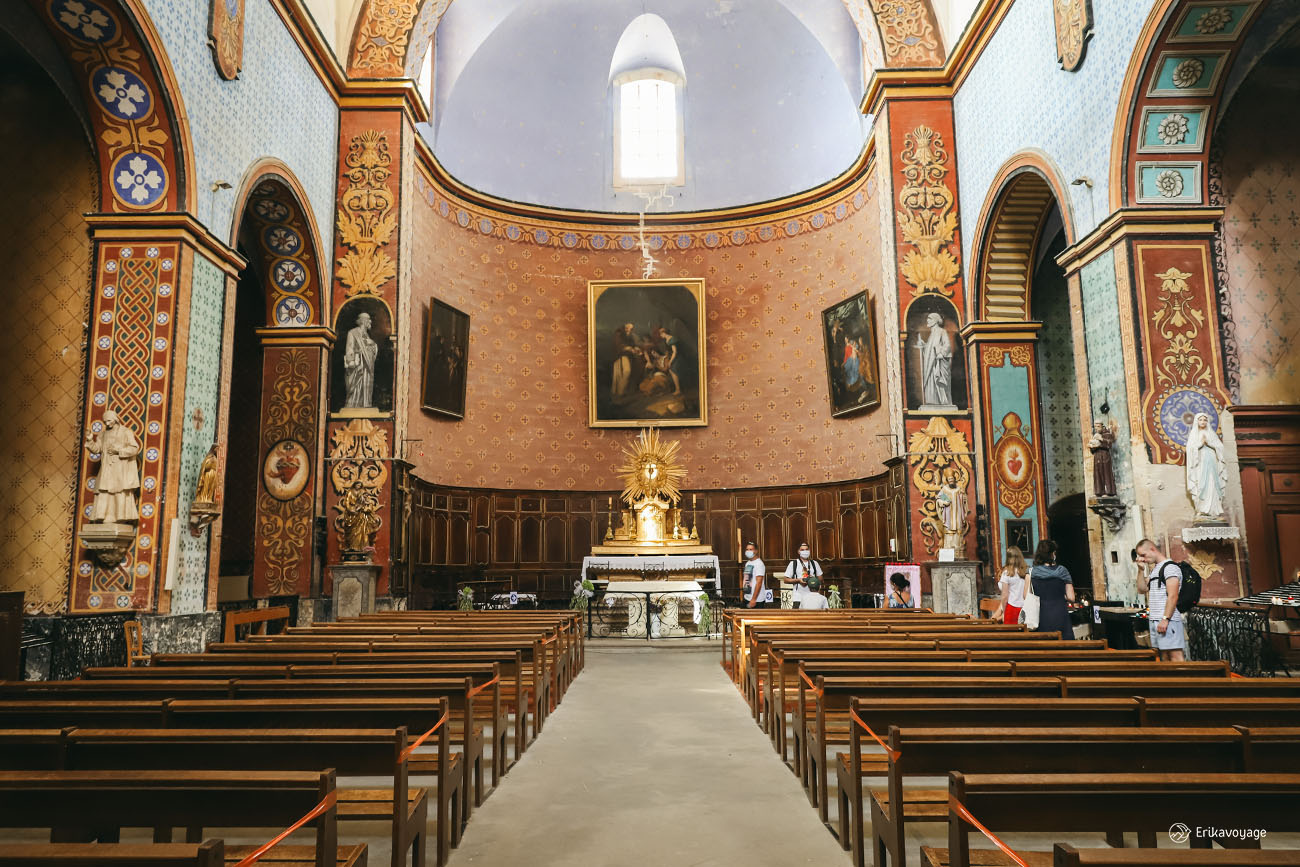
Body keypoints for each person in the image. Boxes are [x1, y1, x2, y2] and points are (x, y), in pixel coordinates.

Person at [84, 409, 141, 524]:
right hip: (106, 469)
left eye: (109, 421)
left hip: (120, 469)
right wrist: (90, 440)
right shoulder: (102, 434)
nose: (107, 424)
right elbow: (97, 449)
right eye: (105, 422)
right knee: (104, 491)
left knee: (119, 492)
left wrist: (119, 451)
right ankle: (104, 516)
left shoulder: (126, 432)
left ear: (115, 419)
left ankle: (119, 517)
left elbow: (135, 448)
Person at [1136, 538, 1187, 661]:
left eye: (1143, 555)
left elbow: (1173, 596)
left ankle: (1183, 680)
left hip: (1168, 620)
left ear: (1152, 549)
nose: (1142, 559)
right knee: (1164, 657)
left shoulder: (1170, 568)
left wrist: (1165, 619)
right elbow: (1142, 589)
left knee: (1175, 657)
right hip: (1156, 619)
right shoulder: (1156, 569)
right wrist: (1140, 570)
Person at [1029, 539, 1074, 639]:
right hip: (1060, 613)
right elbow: (1071, 598)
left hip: (1041, 615)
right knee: (1065, 648)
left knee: (1045, 648)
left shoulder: (1032, 573)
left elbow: (1026, 595)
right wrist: (1062, 595)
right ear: (1052, 554)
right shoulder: (1062, 571)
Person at [1185, 413, 1227, 520]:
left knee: (1212, 483)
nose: (1203, 422)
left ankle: (1214, 510)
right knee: (1201, 484)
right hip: (1200, 464)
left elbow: (1220, 447)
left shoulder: (1212, 434)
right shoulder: (1194, 434)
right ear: (1197, 421)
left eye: (1205, 420)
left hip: (1212, 462)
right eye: (1201, 420)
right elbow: (1190, 450)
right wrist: (1200, 444)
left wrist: (1209, 443)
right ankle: (1202, 509)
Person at [916, 311, 953, 407]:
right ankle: (933, 401)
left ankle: (943, 402)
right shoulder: (932, 334)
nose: (927, 320)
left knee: (939, 380)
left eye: (930, 318)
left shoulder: (942, 331)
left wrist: (941, 353)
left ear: (936, 321)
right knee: (930, 382)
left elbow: (947, 345)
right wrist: (923, 346)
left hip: (938, 362)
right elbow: (930, 349)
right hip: (930, 363)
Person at [343, 311, 378, 408]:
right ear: (362, 321)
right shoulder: (353, 332)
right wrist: (352, 363)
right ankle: (353, 405)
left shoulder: (367, 335)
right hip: (358, 366)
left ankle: (365, 404)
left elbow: (373, 348)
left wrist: (373, 344)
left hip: (368, 365)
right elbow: (349, 349)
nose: (370, 322)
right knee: (356, 386)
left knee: (366, 385)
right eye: (368, 319)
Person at [993, 546, 1028, 625]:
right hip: (1025, 608)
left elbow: (1005, 596)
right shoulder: (1026, 571)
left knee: (1011, 634)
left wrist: (1004, 612)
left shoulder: (1007, 573)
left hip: (1012, 608)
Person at [784, 542, 824, 609]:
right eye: (802, 550)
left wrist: (813, 579)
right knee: (796, 618)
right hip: (798, 598)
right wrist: (798, 580)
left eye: (807, 549)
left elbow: (821, 578)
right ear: (798, 552)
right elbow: (785, 580)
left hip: (813, 597)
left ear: (809, 551)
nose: (805, 551)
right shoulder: (794, 563)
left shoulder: (814, 563)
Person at [611, 322, 640, 398]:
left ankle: (622, 392)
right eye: (627, 328)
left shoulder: (630, 336)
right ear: (624, 328)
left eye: (631, 329)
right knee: (626, 372)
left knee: (628, 373)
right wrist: (629, 348)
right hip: (620, 356)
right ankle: (620, 393)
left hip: (629, 356)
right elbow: (619, 345)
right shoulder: (619, 334)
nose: (629, 331)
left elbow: (632, 345)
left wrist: (635, 348)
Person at [742, 541, 766, 609]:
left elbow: (759, 583)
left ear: (756, 551)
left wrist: (754, 599)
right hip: (747, 597)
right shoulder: (748, 563)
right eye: (747, 549)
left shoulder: (759, 564)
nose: (748, 551)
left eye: (750, 549)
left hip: (756, 600)